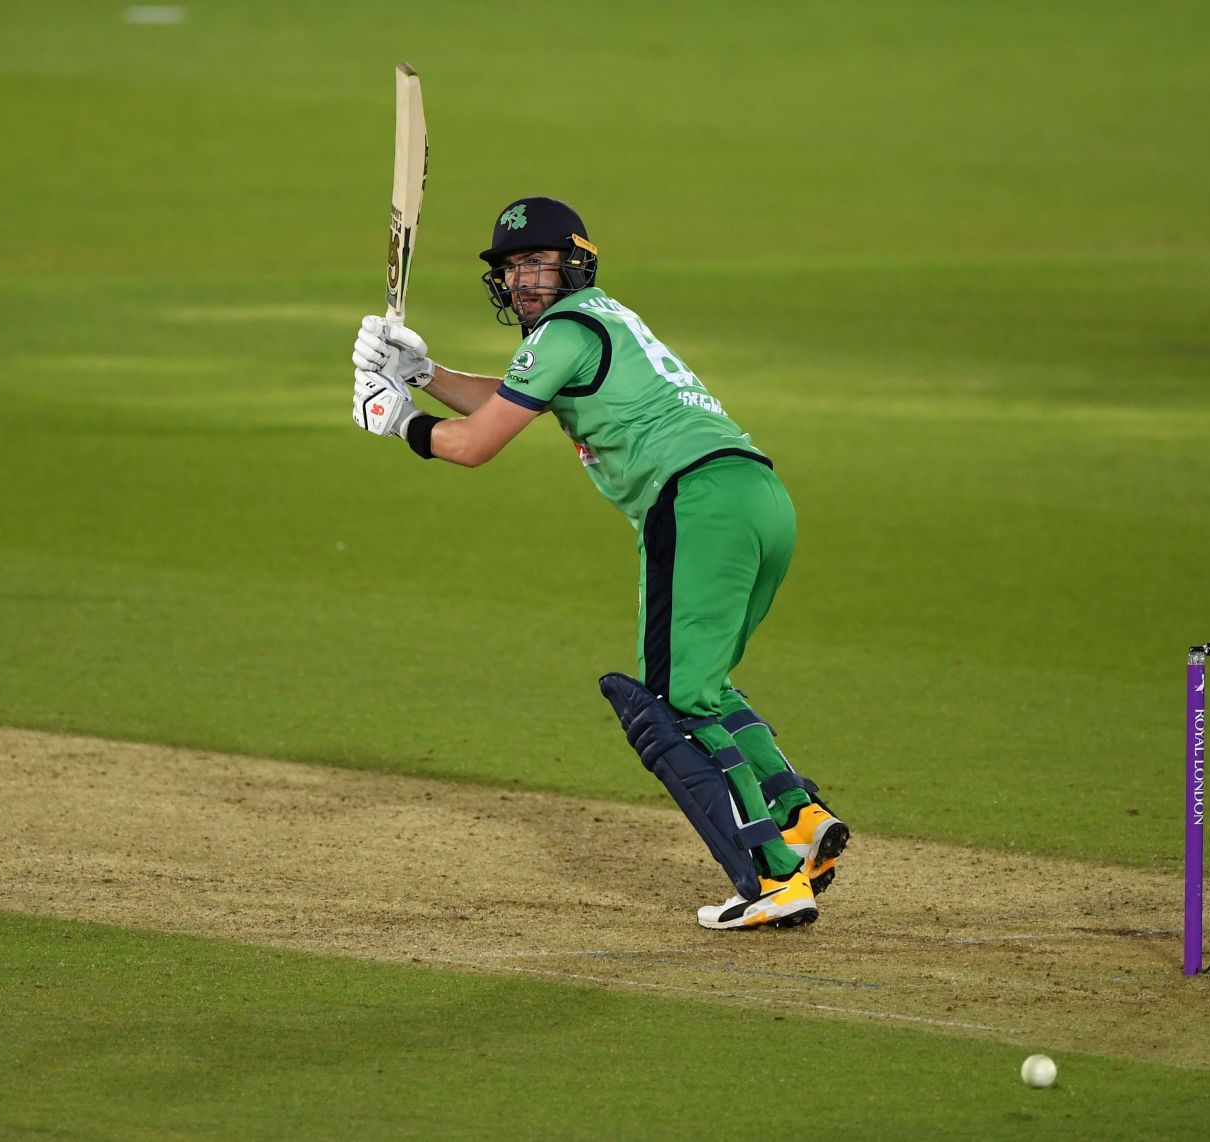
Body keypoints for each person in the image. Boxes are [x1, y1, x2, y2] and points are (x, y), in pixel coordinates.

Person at [348, 197, 848, 930]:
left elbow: (476, 443)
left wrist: (396, 420)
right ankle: (799, 817)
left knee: (675, 704)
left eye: (536, 264)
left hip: (695, 501)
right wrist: (423, 373)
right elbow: (515, 399)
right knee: (703, 690)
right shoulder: (598, 322)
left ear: (574, 262)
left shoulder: (561, 332)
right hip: (758, 498)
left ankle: (776, 878)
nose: (522, 280)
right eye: (512, 268)